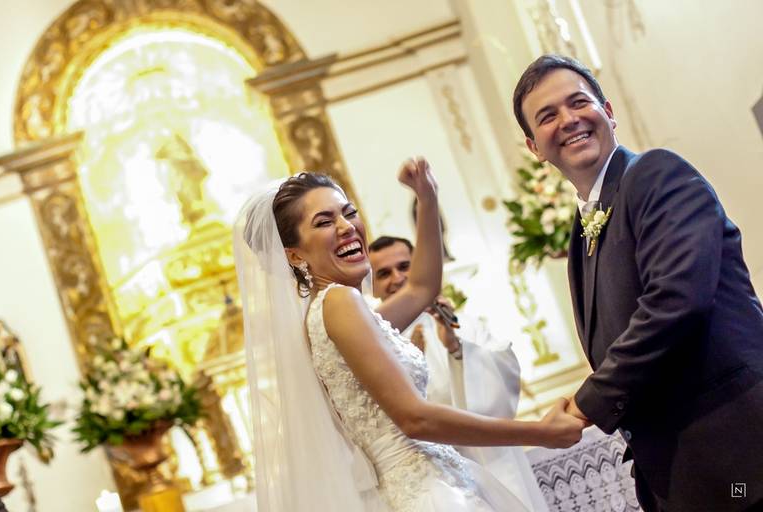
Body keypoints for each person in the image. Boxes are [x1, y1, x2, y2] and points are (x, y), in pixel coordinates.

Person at [234, 158, 585, 511]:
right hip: (430, 493)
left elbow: (421, 288)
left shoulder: (324, 313)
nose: (346, 227)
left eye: (349, 212)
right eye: (324, 222)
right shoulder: (340, 302)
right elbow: (415, 418)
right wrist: (540, 431)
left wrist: (426, 197)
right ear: (294, 256)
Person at [513, 54, 763, 511]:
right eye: (547, 116)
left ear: (608, 112)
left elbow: (676, 302)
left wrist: (584, 405)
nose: (568, 120)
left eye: (578, 102)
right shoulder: (579, 233)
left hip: (741, 453)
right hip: (684, 473)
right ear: (534, 147)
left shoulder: (657, 175)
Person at [368, 235, 548, 512]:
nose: (397, 278)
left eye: (404, 266)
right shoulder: (374, 345)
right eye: (384, 273)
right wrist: (409, 364)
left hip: (494, 459)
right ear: (372, 285)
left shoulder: (465, 325)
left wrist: (456, 348)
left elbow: (501, 395)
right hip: (438, 481)